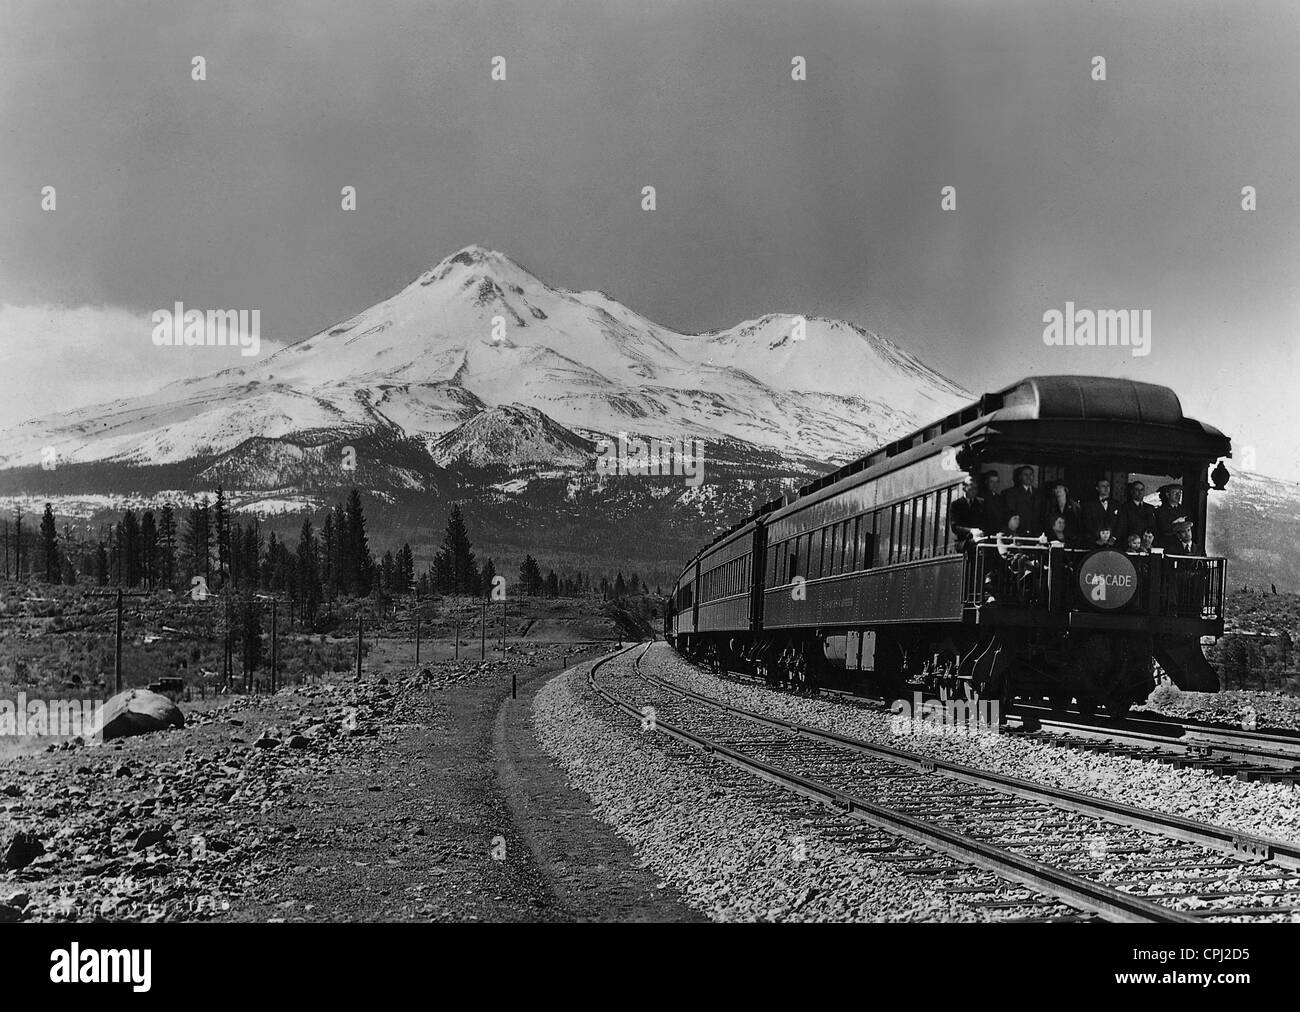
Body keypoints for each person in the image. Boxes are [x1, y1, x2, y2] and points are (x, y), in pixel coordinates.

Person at [949, 476, 987, 551]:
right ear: (964, 488)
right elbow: (955, 527)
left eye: (976, 488)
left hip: (979, 539)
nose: (974, 490)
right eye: (971, 487)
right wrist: (971, 530)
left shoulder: (981, 503)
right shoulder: (956, 504)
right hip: (962, 542)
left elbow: (986, 521)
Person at [1001, 466, 1041, 537]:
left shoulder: (1039, 493)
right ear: (1020, 477)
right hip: (1018, 534)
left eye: (1031, 474)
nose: (1029, 477)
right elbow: (1011, 513)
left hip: (1036, 534)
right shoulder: (1011, 492)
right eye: (1025, 474)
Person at [1082, 478, 1122, 545]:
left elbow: (1121, 522)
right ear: (1097, 488)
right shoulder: (1090, 505)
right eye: (1103, 486)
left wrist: (1114, 537)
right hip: (1095, 542)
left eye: (1108, 486)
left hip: (1113, 543)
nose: (1106, 488)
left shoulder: (1117, 504)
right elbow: (1087, 523)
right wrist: (1096, 539)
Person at [1116, 480, 1156, 545]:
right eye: (1137, 490)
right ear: (1132, 492)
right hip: (1131, 542)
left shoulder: (1150, 508)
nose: (1140, 492)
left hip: (1147, 542)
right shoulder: (1125, 507)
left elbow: (1153, 526)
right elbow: (1122, 526)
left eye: (1142, 490)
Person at [1042, 482, 1082, 546]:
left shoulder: (1074, 506)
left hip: (1070, 538)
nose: (1058, 490)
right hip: (1053, 538)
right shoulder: (1050, 505)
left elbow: (1078, 523)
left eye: (1060, 488)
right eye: (1056, 488)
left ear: (1065, 489)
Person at [1153, 483, 1189, 552]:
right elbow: (1163, 528)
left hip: (1182, 546)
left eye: (1179, 493)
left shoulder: (1184, 510)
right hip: (1166, 545)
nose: (1178, 495)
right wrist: (1177, 523)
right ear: (1167, 494)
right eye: (1175, 493)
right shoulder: (1160, 511)